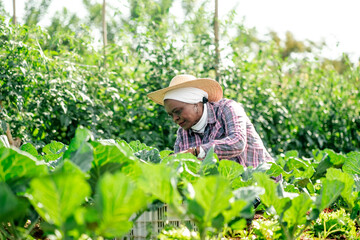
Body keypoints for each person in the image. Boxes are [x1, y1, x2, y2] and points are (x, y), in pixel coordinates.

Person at [147, 74, 273, 168]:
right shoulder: (183, 134)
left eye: (178, 111)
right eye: (171, 115)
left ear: (196, 103)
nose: (175, 118)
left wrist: (196, 151)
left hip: (263, 186)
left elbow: (238, 142)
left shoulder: (227, 108)